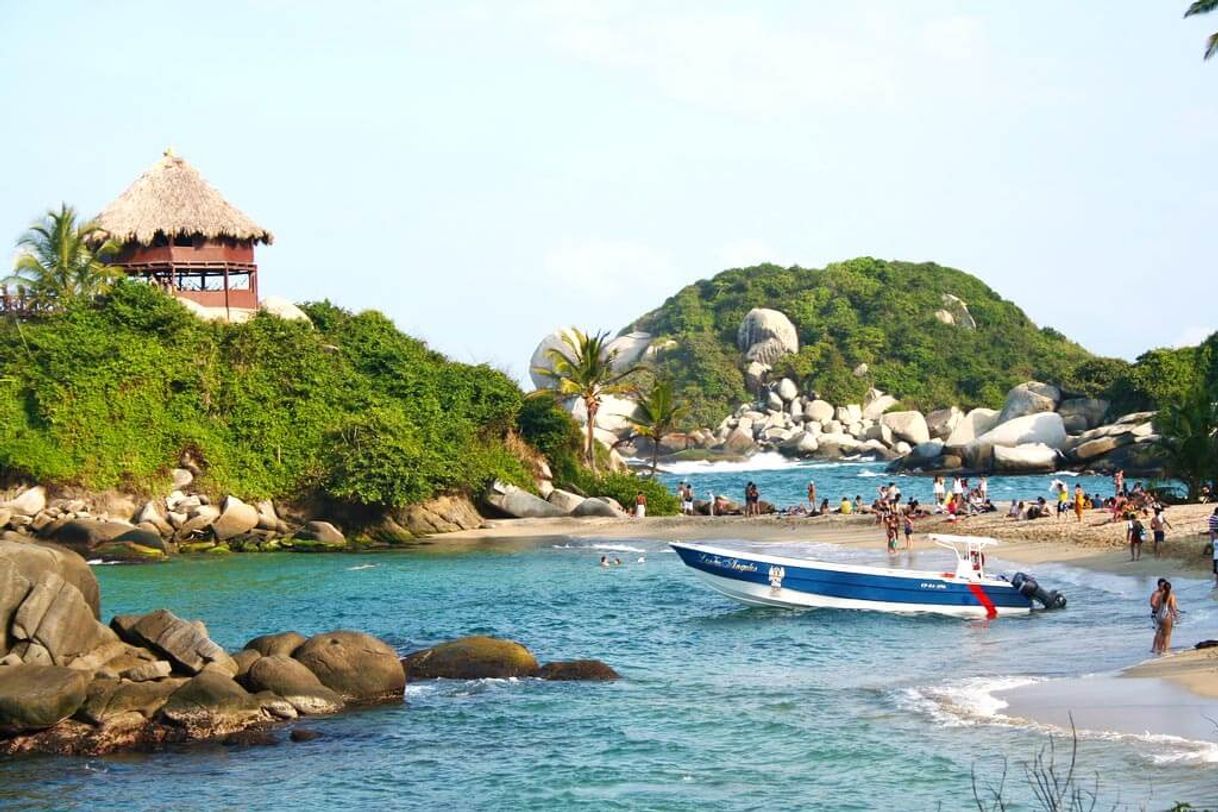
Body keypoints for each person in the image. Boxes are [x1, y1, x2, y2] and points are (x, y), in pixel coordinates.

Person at [1152, 580, 1179, 654]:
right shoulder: (1171, 595)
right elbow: (1173, 607)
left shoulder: (1160, 595)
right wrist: (1176, 616)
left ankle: (1159, 649)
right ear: (1170, 588)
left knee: (1160, 633)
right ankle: (1166, 650)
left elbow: (1156, 607)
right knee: (1167, 634)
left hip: (1159, 616)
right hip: (1167, 616)